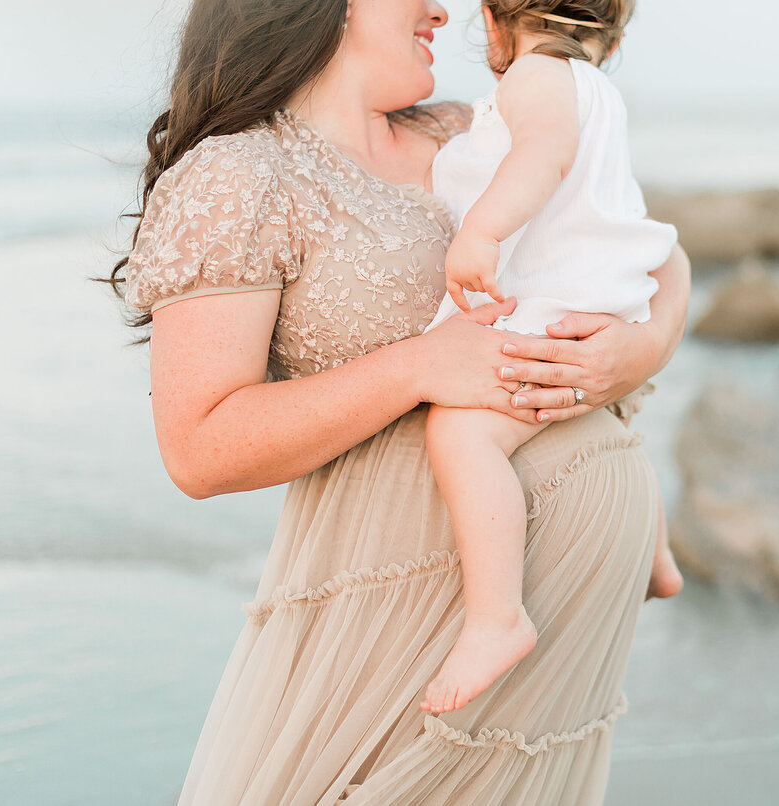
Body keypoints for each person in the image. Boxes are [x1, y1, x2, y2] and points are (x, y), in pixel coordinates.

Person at [108, 0, 689, 803]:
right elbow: (199, 448)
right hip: (401, 614)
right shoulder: (238, 174)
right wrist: (418, 368)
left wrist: (643, 349)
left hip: (566, 635)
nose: (443, 8)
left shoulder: (467, 130)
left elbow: (645, 243)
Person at [419, 0, 682, 715]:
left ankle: (498, 618)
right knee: (615, 413)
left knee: (461, 432)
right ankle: (657, 554)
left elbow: (543, 152)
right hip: (606, 300)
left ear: (496, 17)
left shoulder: (536, 74)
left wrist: (482, 229)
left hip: (553, 303)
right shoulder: (598, 90)